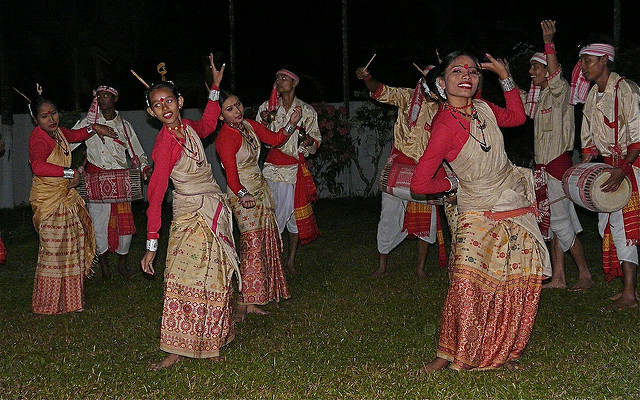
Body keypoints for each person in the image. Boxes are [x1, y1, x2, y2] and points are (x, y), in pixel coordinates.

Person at [410, 51, 551, 372]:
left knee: (515, 280)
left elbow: (517, 117)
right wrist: (451, 185)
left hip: (514, 203)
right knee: (467, 284)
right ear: (442, 82)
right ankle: (447, 355)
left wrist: (506, 77)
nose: (466, 76)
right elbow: (421, 180)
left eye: (472, 71)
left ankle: (502, 352)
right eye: (457, 71)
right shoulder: (445, 124)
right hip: (478, 211)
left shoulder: (484, 109)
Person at [140, 55, 239, 370]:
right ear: (151, 112)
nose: (164, 107)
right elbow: (155, 196)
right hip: (189, 215)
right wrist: (151, 244)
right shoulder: (164, 145)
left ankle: (213, 338)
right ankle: (177, 348)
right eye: (157, 105)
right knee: (182, 279)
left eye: (169, 100)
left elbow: (210, 122)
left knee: (215, 276)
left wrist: (215, 87)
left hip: (214, 207)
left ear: (179, 102)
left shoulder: (191, 128)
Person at [27, 90, 116, 314]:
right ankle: (48, 303)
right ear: (36, 120)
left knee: (72, 246)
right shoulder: (40, 138)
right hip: (49, 201)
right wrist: (68, 173)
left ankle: (70, 301)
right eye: (44, 116)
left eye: (54, 113)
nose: (51, 119)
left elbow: (75, 135)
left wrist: (93, 128)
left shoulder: (57, 134)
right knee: (54, 252)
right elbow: (37, 166)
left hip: (65, 196)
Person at [355, 63, 446, 278]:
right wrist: (367, 76)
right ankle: (382, 266)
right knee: (388, 216)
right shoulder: (406, 97)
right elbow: (380, 91)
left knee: (428, 220)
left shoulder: (445, 107)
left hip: (427, 168)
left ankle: (420, 268)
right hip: (399, 165)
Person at [216, 91, 300, 321]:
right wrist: (244, 195)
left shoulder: (248, 126)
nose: (237, 110)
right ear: (221, 116)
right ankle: (242, 303)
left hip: (260, 191)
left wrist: (291, 125)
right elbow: (232, 179)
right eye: (230, 109)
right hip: (242, 195)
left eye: (239, 104)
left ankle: (253, 299)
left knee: (262, 243)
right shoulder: (225, 138)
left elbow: (275, 140)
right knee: (252, 245)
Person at [570, 40, 640, 310]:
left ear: (605, 61)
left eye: (588, 60)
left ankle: (630, 294)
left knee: (625, 229)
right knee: (607, 225)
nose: (583, 67)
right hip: (611, 168)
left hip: (630, 167)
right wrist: (581, 171)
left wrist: (622, 170)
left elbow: (636, 139)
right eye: (582, 61)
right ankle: (628, 289)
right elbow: (588, 142)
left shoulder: (627, 89)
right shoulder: (593, 95)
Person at [523, 20, 592, 291]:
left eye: (535, 67)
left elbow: (554, 76)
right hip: (545, 168)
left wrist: (548, 43)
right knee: (553, 225)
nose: (531, 72)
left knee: (562, 225)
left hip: (556, 166)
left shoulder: (559, 89)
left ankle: (585, 274)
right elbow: (517, 104)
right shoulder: (540, 100)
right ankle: (560, 277)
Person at [73, 83, 152, 279]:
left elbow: (138, 152)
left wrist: (144, 169)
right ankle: (104, 268)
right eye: (99, 96)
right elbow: (69, 140)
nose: (102, 99)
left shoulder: (124, 126)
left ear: (115, 98)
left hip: (119, 179)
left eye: (107, 95)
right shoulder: (87, 122)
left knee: (124, 224)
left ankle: (122, 265)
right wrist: (91, 129)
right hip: (96, 179)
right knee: (98, 223)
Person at [255, 67, 321, 274]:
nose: (280, 81)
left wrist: (310, 142)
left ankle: (290, 260)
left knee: (294, 220)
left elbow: (315, 140)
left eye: (285, 78)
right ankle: (271, 262)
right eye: (278, 78)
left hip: (296, 170)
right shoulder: (267, 108)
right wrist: (265, 121)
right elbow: (258, 139)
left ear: (295, 83)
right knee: (274, 218)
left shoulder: (307, 111)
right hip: (274, 170)